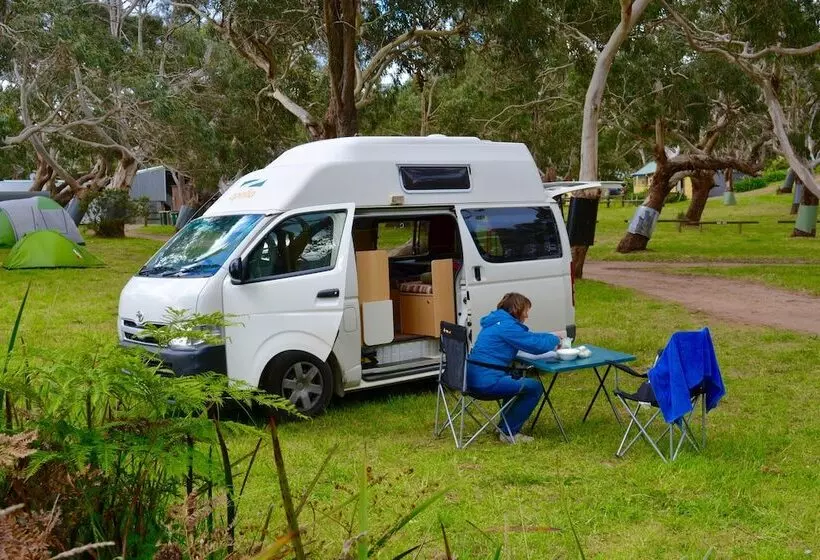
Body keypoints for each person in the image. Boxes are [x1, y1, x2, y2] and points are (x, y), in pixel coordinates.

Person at [466, 293, 560, 444]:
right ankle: (510, 433)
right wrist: (555, 339)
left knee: (515, 379)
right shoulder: (507, 327)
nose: (527, 315)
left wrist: (550, 335)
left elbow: (528, 336)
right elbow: (535, 345)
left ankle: (504, 427)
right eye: (526, 311)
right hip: (486, 383)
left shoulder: (495, 322)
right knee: (534, 387)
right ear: (517, 309)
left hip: (471, 379)